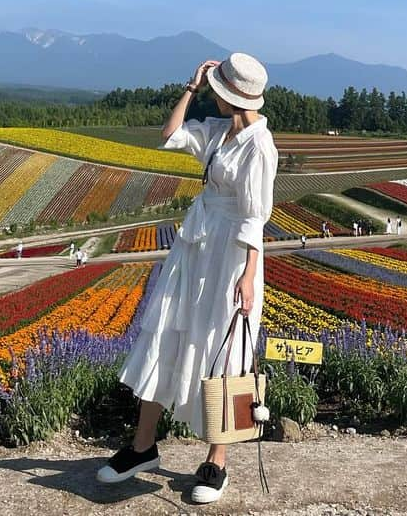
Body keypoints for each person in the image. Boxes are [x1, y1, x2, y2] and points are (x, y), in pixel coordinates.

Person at [98, 54, 278, 506]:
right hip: (196, 245)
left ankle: (217, 461)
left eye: (215, 88)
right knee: (168, 333)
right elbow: (170, 135)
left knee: (226, 349)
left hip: (233, 257)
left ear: (230, 94)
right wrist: (190, 88)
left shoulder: (260, 144)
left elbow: (256, 217)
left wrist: (250, 276)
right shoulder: (219, 131)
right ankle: (143, 448)